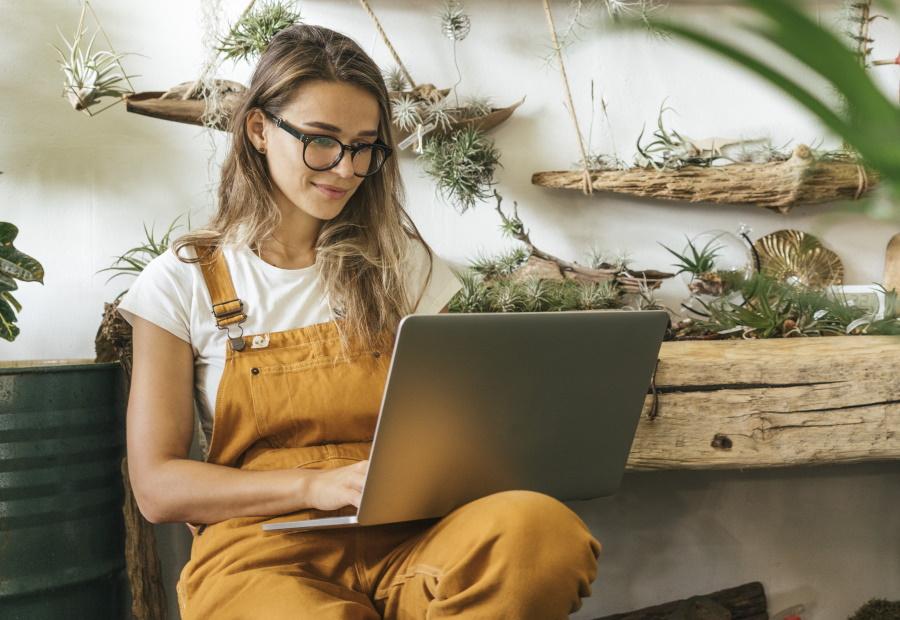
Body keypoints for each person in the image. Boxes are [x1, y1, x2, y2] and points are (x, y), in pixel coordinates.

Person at [118, 24, 600, 620]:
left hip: (412, 539)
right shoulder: (183, 280)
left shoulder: (402, 265)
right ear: (260, 130)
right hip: (261, 554)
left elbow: (460, 432)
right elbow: (158, 487)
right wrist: (310, 487)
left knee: (540, 532)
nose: (346, 169)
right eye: (321, 141)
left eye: (365, 146)